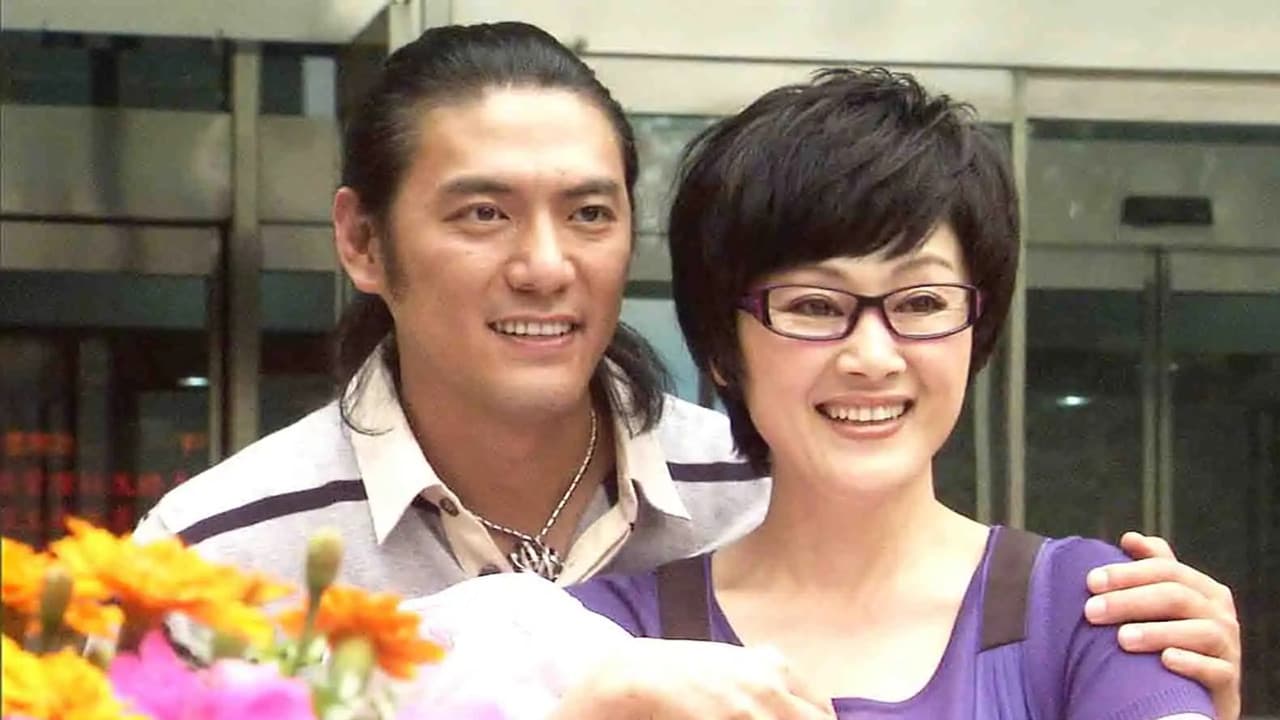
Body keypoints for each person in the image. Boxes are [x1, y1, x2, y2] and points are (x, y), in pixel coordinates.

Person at [132, 21, 1241, 717]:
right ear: (363, 242)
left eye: (589, 213)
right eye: (482, 213)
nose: (544, 265)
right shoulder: (205, 555)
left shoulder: (764, 471)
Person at [563, 67, 1218, 718]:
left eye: (922, 302)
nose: (873, 358)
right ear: (721, 349)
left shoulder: (1094, 609)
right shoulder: (607, 642)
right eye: (814, 306)